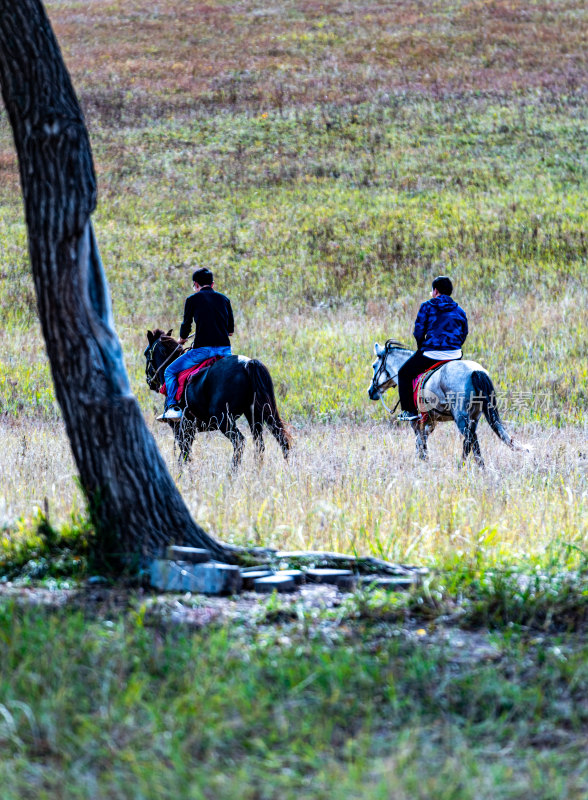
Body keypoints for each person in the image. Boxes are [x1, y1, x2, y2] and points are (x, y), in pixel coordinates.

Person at [158, 268, 234, 421]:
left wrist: (182, 339)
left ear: (196, 284)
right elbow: (230, 331)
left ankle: (173, 407)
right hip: (225, 351)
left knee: (169, 371)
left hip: (203, 351)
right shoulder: (224, 299)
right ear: (212, 284)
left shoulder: (192, 300)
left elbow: (186, 325)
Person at [396, 275, 468, 421]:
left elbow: (418, 332)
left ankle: (409, 411)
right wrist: (454, 347)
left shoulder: (427, 306)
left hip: (432, 354)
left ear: (435, 291)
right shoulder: (459, 310)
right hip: (455, 354)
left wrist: (421, 347)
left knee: (403, 373)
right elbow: (464, 332)